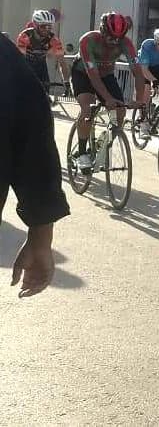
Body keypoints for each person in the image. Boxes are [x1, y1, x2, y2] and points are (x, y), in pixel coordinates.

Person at [1, 34, 70, 298]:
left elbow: (29, 123)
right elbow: (31, 127)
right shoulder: (17, 44)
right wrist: (41, 233)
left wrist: (41, 233)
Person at [69, 12, 143, 171]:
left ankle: (100, 145)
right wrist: (108, 98)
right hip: (83, 74)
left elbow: (137, 72)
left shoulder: (126, 43)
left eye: (118, 38)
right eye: (111, 38)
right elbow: (93, 76)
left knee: (120, 112)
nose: (115, 42)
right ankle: (82, 153)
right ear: (102, 31)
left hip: (106, 74)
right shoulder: (87, 40)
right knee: (87, 109)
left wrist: (140, 98)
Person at [15, 10, 69, 92]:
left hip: (41, 65)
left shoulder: (53, 39)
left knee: (45, 92)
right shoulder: (25, 36)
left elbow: (62, 62)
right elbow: (20, 59)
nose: (47, 30)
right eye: (43, 26)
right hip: (26, 63)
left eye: (49, 27)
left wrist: (66, 81)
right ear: (35, 25)